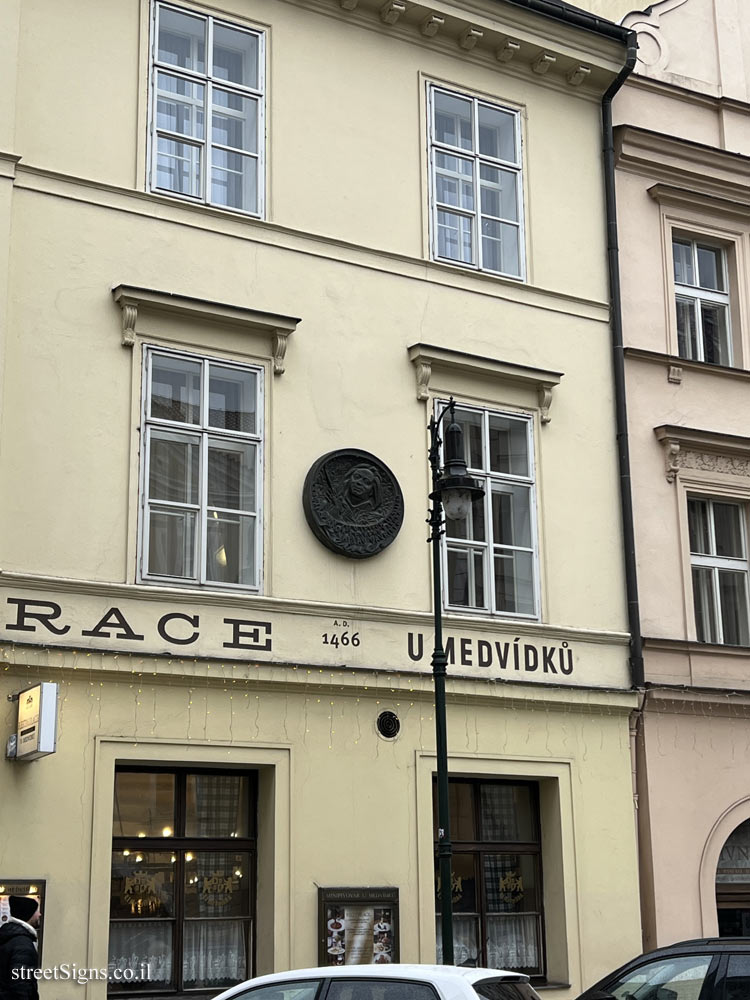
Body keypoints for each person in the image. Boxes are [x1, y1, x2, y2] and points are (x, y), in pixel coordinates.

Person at [0, 896, 41, 1000]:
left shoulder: (10, 937)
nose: (39, 914)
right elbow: (21, 985)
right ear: (28, 914)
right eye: (37, 911)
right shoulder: (22, 943)